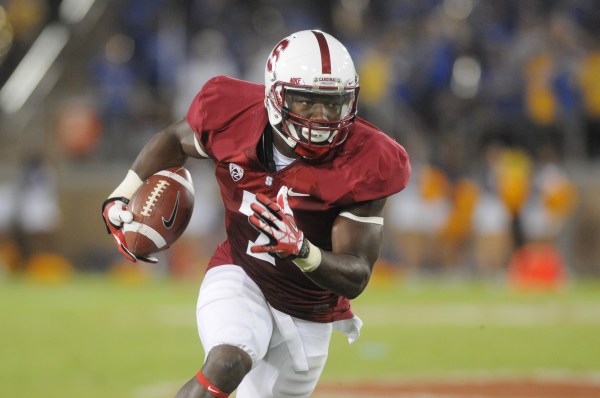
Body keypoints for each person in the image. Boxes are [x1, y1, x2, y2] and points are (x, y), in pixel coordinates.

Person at [102, 30, 411, 398]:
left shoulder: (367, 158)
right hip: (240, 272)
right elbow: (174, 140)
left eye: (332, 104)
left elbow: (356, 274)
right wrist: (122, 194)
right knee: (227, 361)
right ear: (274, 94)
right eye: (306, 102)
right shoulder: (233, 114)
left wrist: (304, 251)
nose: (321, 117)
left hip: (308, 310)